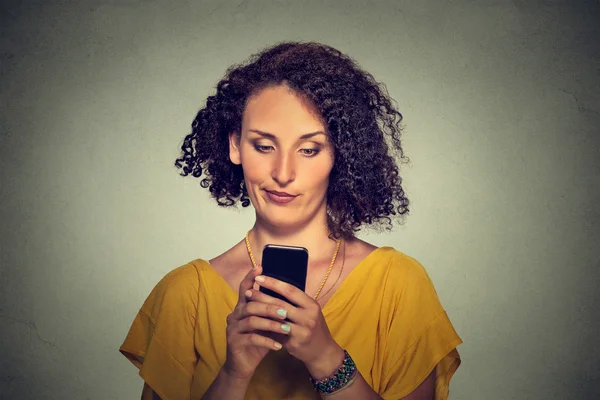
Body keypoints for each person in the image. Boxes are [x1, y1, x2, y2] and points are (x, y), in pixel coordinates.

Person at [119, 41, 462, 400]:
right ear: (235, 146)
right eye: (264, 146)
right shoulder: (185, 295)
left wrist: (326, 358)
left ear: (339, 154)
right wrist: (234, 372)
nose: (283, 173)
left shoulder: (398, 285)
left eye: (309, 149)